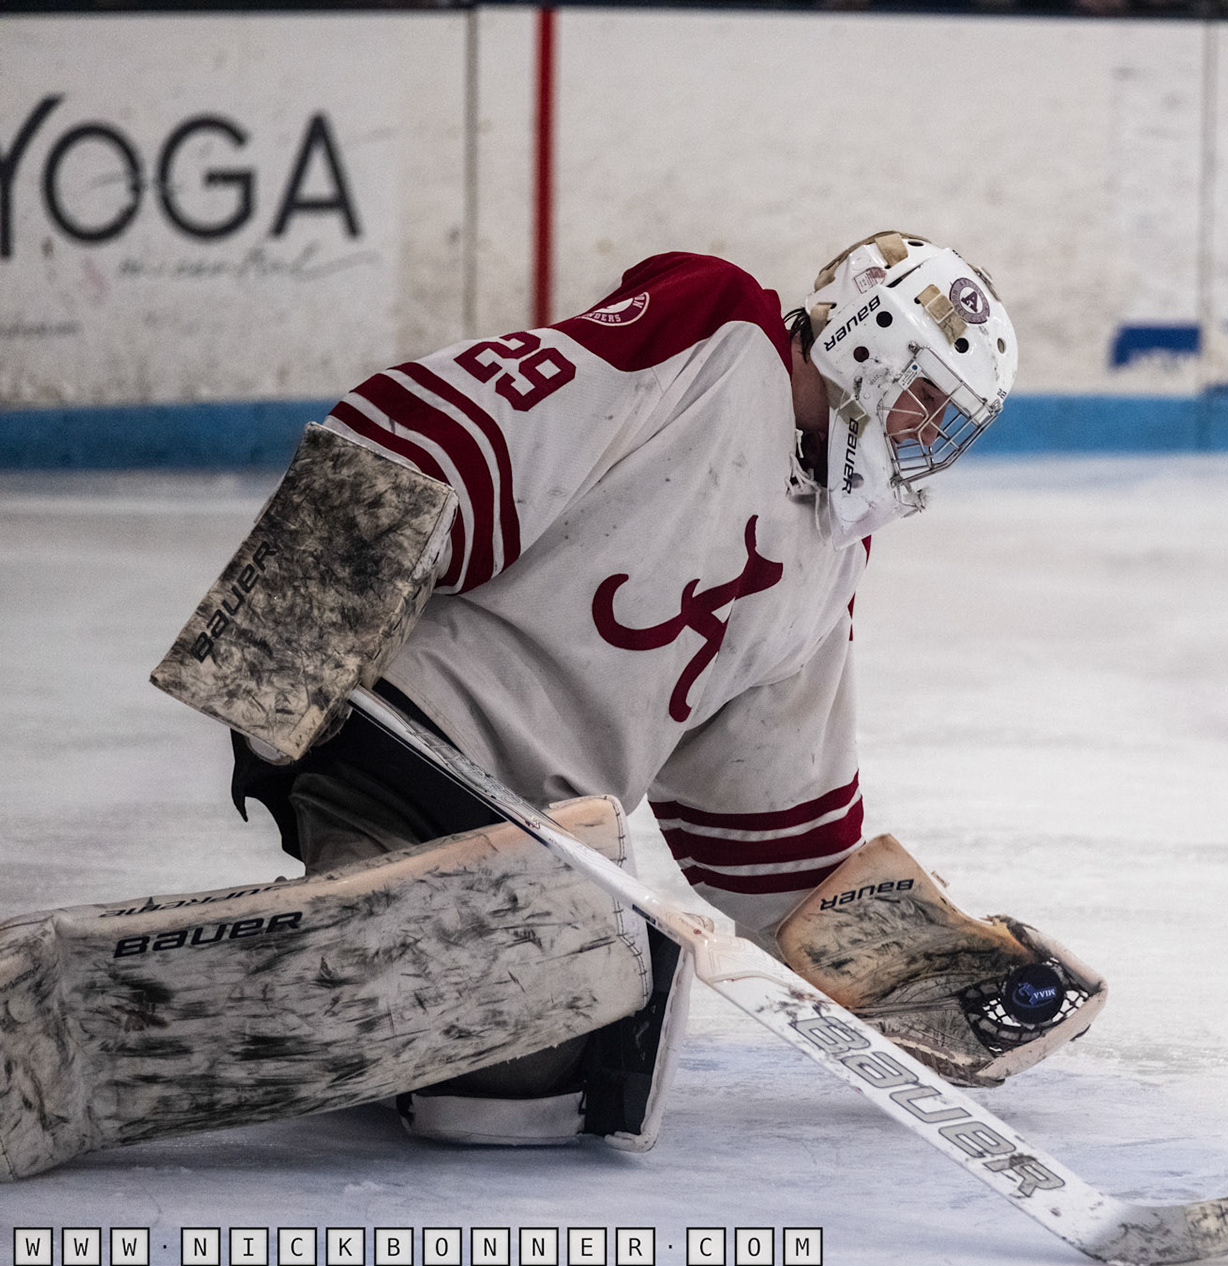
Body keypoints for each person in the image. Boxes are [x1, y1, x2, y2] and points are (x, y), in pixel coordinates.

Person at [221, 232, 1105, 1145]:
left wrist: (914, 966)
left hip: (536, 833)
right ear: (867, 337)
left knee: (527, 1093)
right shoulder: (713, 332)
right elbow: (444, 430)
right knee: (470, 995)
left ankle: (380, 975)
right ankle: (297, 966)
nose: (930, 438)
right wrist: (285, 641)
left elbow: (770, 812)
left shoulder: (835, 548)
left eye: (951, 422)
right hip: (403, 741)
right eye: (926, 397)